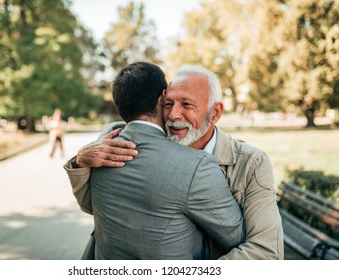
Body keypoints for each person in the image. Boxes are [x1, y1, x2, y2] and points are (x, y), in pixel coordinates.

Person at [65, 65, 284, 260]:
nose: (174, 115)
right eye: (169, 103)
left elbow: (265, 252)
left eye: (187, 105)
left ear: (215, 113)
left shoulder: (251, 163)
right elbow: (93, 204)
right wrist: (81, 159)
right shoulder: (114, 141)